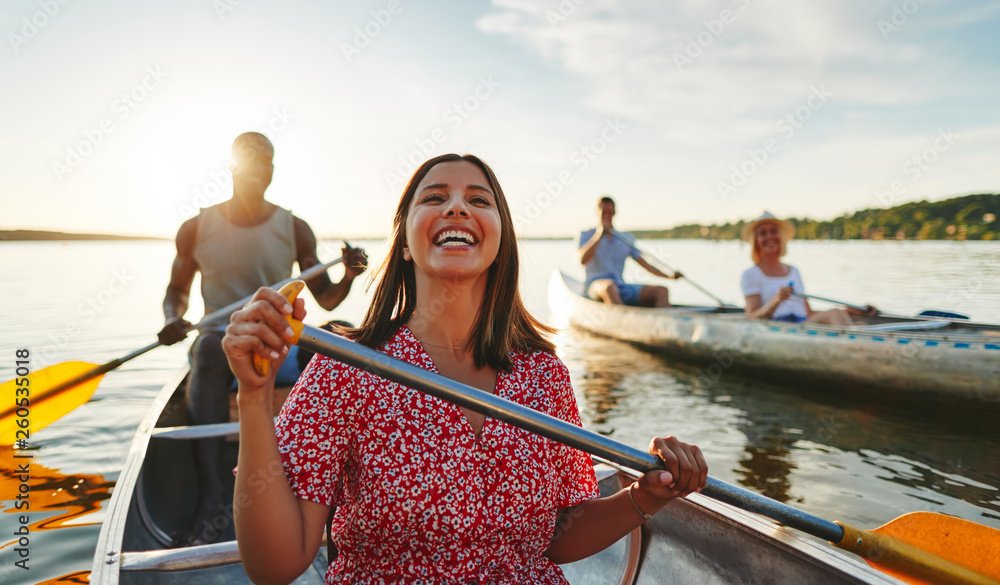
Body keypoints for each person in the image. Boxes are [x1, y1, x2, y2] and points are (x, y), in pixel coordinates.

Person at [223, 154, 708, 584]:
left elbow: (557, 538)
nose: (457, 207)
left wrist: (646, 497)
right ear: (407, 244)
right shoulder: (346, 367)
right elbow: (275, 566)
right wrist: (253, 393)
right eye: (435, 197)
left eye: (479, 200)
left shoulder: (544, 374)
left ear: (500, 240)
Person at [156, 131, 368, 546]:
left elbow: (325, 299)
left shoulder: (295, 227)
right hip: (222, 342)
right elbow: (176, 291)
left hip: (277, 343)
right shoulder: (196, 227)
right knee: (207, 350)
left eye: (265, 164)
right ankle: (214, 494)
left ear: (272, 172)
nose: (258, 170)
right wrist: (173, 318)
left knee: (335, 334)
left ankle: (322, 486)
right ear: (232, 168)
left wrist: (349, 275)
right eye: (249, 162)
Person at [740, 212, 874, 325]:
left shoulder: (793, 271)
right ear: (756, 240)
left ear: (780, 236)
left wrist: (849, 312)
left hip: (803, 323)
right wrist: (776, 301)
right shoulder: (751, 274)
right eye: (763, 233)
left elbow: (808, 313)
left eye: (773, 231)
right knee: (836, 315)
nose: (769, 236)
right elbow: (752, 317)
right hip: (778, 326)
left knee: (858, 323)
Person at [579, 196, 682, 307]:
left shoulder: (624, 238)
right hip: (595, 287)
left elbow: (646, 265)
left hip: (620, 287)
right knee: (609, 287)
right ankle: (623, 320)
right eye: (603, 212)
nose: (607, 216)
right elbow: (582, 259)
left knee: (662, 291)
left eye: (610, 212)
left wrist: (669, 276)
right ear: (597, 212)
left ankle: (664, 322)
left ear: (614, 213)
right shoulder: (586, 235)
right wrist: (599, 236)